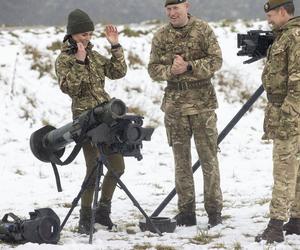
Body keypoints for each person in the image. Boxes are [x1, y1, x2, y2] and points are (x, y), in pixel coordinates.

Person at [148, 0, 223, 227]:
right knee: (181, 162)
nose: (172, 13)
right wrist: (171, 70)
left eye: (176, 8)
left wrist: (189, 66)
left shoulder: (203, 29)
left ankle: (214, 211)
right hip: (175, 107)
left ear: (186, 7)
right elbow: (153, 69)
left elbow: (216, 60)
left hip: (202, 105)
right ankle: (186, 212)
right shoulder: (161, 36)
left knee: (209, 159)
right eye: (168, 9)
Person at [55, 9, 127, 234]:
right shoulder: (63, 60)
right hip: (85, 121)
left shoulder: (95, 56)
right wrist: (78, 61)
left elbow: (118, 72)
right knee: (94, 168)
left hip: (107, 116)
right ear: (71, 35)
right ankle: (85, 217)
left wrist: (115, 46)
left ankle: (103, 212)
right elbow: (70, 89)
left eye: (89, 34)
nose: (86, 38)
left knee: (117, 166)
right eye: (82, 34)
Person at [255, 0, 300, 244]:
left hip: (289, 113)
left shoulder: (294, 37)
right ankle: (295, 219)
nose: (268, 19)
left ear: (283, 12)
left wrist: (288, 113)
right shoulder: (284, 36)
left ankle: (275, 226)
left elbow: (298, 77)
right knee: (295, 167)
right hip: (285, 110)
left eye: (271, 15)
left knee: (283, 168)